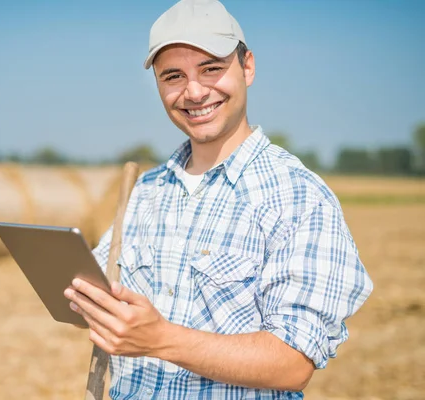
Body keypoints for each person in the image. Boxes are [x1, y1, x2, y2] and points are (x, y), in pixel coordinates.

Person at [63, 0, 373, 398]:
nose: (193, 91)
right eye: (173, 76)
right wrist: (83, 299)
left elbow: (293, 363)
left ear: (248, 67)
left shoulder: (299, 196)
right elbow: (101, 298)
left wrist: (161, 339)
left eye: (211, 68)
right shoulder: (147, 191)